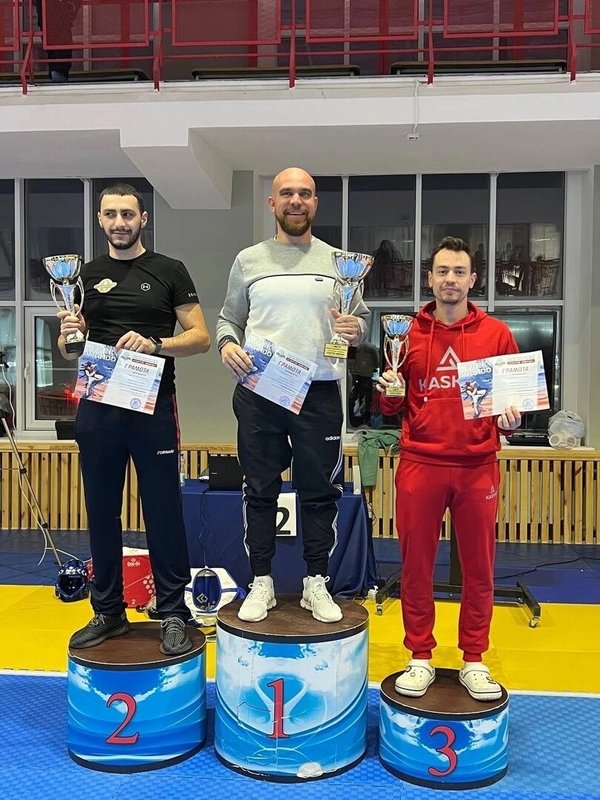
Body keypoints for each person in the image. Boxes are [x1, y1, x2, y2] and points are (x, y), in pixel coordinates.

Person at [57, 183, 211, 655]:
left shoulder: (169, 270)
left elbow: (201, 337)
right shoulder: (83, 276)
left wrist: (156, 343)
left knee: (163, 510)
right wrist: (69, 334)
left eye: (128, 214)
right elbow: (70, 351)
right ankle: (108, 611)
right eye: (111, 214)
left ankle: (173, 611)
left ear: (143, 219)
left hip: (153, 407)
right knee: (101, 510)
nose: (119, 222)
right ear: (100, 220)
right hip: (99, 408)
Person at [216, 167, 370, 624]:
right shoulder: (248, 260)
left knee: (320, 492)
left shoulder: (340, 263)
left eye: (305, 193)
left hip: (319, 392)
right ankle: (261, 581)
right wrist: (226, 344)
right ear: (273, 203)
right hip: (261, 390)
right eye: (287, 193)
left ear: (315, 202)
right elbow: (228, 319)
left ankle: (315, 581)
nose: (296, 201)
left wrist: (356, 329)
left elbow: (361, 322)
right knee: (260, 489)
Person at [376, 236, 521, 702]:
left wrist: (511, 420)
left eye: (459, 272)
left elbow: (512, 405)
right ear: (430, 278)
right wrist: (390, 392)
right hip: (420, 462)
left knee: (479, 568)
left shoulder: (496, 334)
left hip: (478, 465)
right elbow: (388, 405)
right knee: (416, 565)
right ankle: (419, 655)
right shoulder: (406, 334)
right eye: (442, 271)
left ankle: (474, 659)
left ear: (472, 279)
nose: (450, 279)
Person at [34, 0, 81, 83]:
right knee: (58, 42)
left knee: (55, 42)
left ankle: (57, 72)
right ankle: (58, 72)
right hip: (56, 17)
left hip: (54, 18)